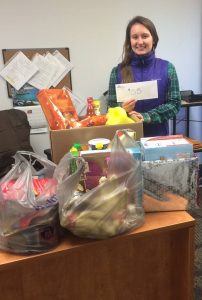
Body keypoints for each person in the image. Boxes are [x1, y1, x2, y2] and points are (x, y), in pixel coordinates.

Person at [107, 16, 181, 137]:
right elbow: (111, 109)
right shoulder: (116, 72)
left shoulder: (168, 68)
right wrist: (122, 110)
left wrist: (147, 116)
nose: (140, 42)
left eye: (145, 36)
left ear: (154, 39)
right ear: (129, 41)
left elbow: (174, 104)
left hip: (157, 139)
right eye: (135, 37)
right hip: (126, 140)